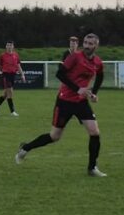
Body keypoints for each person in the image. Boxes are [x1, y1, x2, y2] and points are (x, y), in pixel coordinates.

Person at [15, 33, 107, 177]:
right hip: (65, 101)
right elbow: (60, 74)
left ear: (96, 45)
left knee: (95, 132)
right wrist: (78, 89)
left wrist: (94, 93)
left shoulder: (97, 61)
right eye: (86, 43)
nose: (87, 46)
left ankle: (92, 168)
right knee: (54, 136)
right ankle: (26, 148)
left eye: (91, 44)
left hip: (81, 102)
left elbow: (100, 75)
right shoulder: (75, 57)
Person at [0, 41, 21, 117]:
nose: (9, 46)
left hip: (13, 75)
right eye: (7, 45)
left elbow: (18, 65)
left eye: (10, 45)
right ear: (6, 46)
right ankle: (12, 111)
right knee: (10, 92)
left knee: (5, 94)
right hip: (5, 75)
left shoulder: (16, 55)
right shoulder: (2, 56)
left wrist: (23, 75)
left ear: (13, 46)